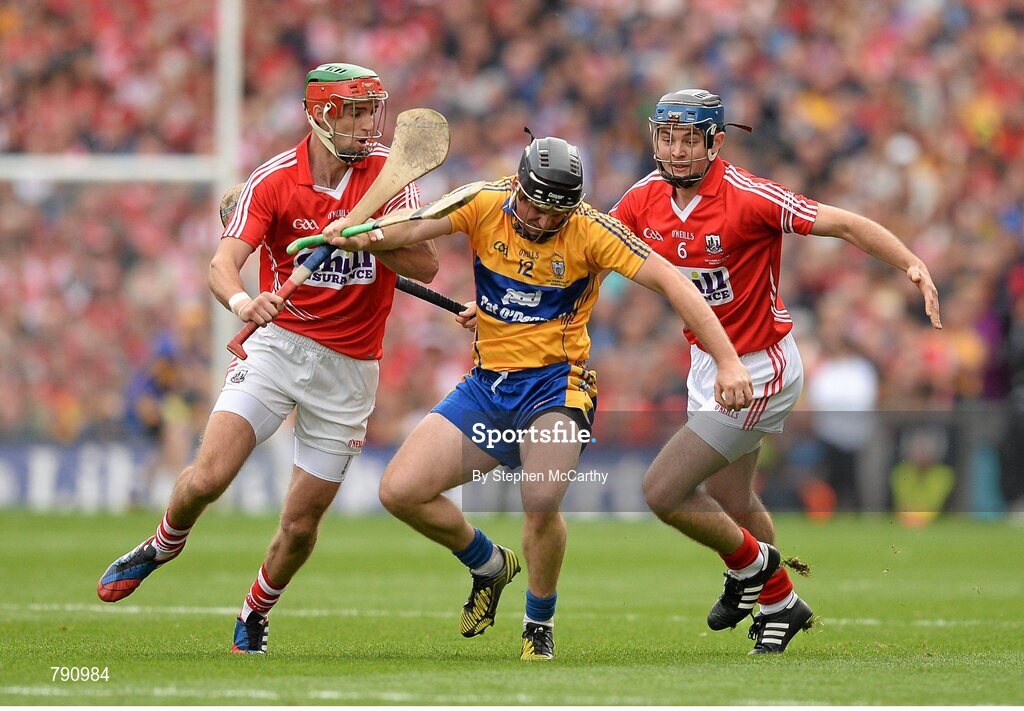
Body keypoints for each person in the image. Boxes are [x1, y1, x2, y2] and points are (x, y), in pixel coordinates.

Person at [321, 134, 753, 660]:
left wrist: (728, 359)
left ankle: (538, 625)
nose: (542, 221)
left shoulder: (593, 231)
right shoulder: (482, 200)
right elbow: (414, 228)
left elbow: (674, 283)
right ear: (516, 187)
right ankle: (488, 565)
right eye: (533, 206)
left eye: (556, 213)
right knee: (400, 492)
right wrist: (361, 233)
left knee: (541, 497)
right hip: (487, 385)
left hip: (556, 386)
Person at [96, 63, 439, 654]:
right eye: (351, 112)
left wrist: (368, 235)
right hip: (280, 345)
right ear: (317, 115)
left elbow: (426, 265)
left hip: (352, 368)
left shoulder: (388, 174)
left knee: (301, 523)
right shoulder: (274, 180)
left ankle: (256, 609)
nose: (364, 125)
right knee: (209, 475)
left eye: (368, 112)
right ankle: (163, 542)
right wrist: (242, 301)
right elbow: (221, 264)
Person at [610, 89, 942, 654]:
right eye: (668, 137)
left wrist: (910, 262)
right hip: (708, 365)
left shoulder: (746, 195)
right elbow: (589, 252)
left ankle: (763, 579)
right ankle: (775, 602)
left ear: (716, 141)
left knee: (662, 490)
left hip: (760, 369)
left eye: (691, 138)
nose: (677, 149)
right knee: (733, 501)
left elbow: (843, 224)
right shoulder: (642, 199)